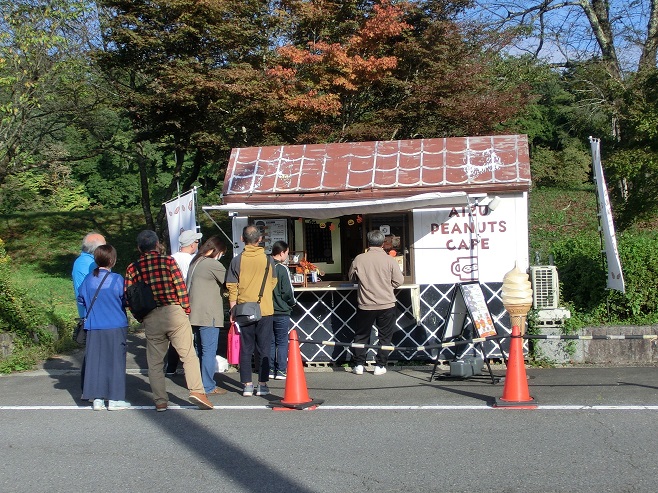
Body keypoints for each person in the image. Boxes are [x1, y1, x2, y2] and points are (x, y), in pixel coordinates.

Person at [124, 230, 213, 411]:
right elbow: (180, 288)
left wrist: (140, 317)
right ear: (157, 244)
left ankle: (160, 401)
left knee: (155, 362)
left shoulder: (132, 268)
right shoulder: (168, 261)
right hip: (174, 312)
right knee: (188, 355)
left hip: (150, 316)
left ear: (139, 247)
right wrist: (185, 310)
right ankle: (197, 392)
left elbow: (129, 297)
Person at [226, 225, 278, 397]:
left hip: (243, 309)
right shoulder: (268, 260)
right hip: (265, 309)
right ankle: (262, 384)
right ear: (260, 240)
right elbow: (273, 282)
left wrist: (233, 308)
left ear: (242, 239)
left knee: (246, 347)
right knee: (264, 348)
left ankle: (247, 384)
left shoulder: (237, 260)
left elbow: (232, 286)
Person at [77, 244, 131, 411]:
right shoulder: (116, 279)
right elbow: (125, 299)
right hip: (115, 325)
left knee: (95, 362)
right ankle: (115, 398)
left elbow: (81, 299)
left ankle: (97, 398)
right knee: (115, 361)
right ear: (112, 260)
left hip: (94, 325)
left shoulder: (88, 280)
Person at [348, 230, 404, 376]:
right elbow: (399, 281)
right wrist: (387, 286)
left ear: (368, 242)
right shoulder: (389, 260)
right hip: (387, 303)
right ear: (383, 243)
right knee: (385, 336)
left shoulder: (359, 259)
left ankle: (359, 364)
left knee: (361, 335)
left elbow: (352, 278)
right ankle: (380, 365)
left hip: (365, 304)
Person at [187, 236, 228, 396]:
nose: (221, 256)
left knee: (198, 350)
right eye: (222, 253)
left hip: (194, 313)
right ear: (217, 250)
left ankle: (198, 383)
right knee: (209, 350)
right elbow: (229, 282)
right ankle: (208, 385)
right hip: (208, 313)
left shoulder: (195, 262)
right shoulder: (212, 264)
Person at [165, 229, 202, 375]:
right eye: (197, 242)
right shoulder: (193, 261)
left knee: (175, 336)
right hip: (188, 301)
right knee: (192, 336)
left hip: (171, 303)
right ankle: (194, 370)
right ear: (192, 244)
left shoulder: (170, 258)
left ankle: (170, 367)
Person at [269, 241, 296, 380]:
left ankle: (269, 369)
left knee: (270, 341)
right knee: (282, 341)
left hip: (267, 311)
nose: (287, 255)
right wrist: (292, 303)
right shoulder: (282, 269)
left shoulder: (265, 265)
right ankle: (280, 370)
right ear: (281, 252)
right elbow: (287, 292)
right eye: (287, 253)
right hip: (281, 310)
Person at [72, 232, 106, 318]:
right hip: (93, 317)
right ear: (98, 249)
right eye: (105, 246)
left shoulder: (84, 261)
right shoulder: (89, 263)